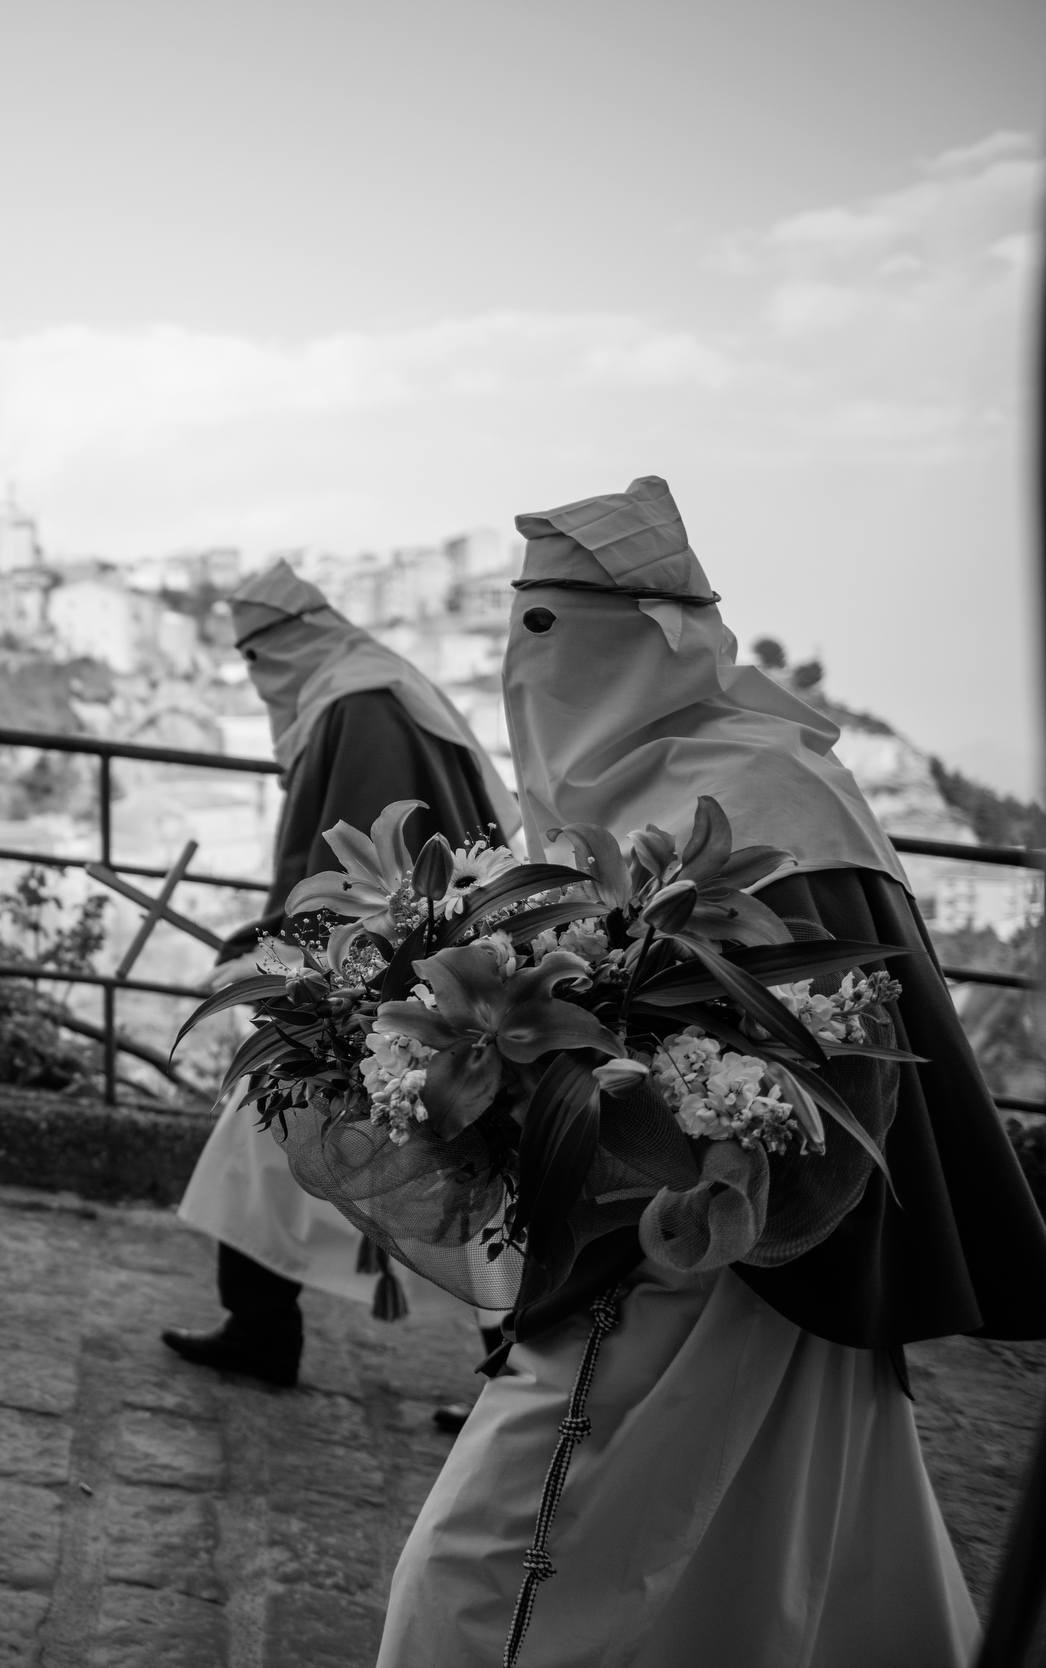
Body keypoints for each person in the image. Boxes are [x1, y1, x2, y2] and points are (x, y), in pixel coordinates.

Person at [378, 476, 1046, 1666]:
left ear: (649, 639)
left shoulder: (767, 791)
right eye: (519, 625)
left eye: (555, 628)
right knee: (774, 1573)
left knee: (482, 1571)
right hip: (666, 1256)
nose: (527, 664)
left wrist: (699, 1165)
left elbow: (851, 1046)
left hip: (711, 1265)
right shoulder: (645, 780)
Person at [166, 560, 518, 1392]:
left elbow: (364, 860)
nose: (256, 683)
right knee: (273, 1150)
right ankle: (262, 1328)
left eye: (254, 661)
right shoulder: (363, 690)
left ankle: (514, 1383)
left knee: (454, 1170)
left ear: (284, 647)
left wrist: (286, 952)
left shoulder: (357, 707)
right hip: (389, 967)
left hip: (386, 982)